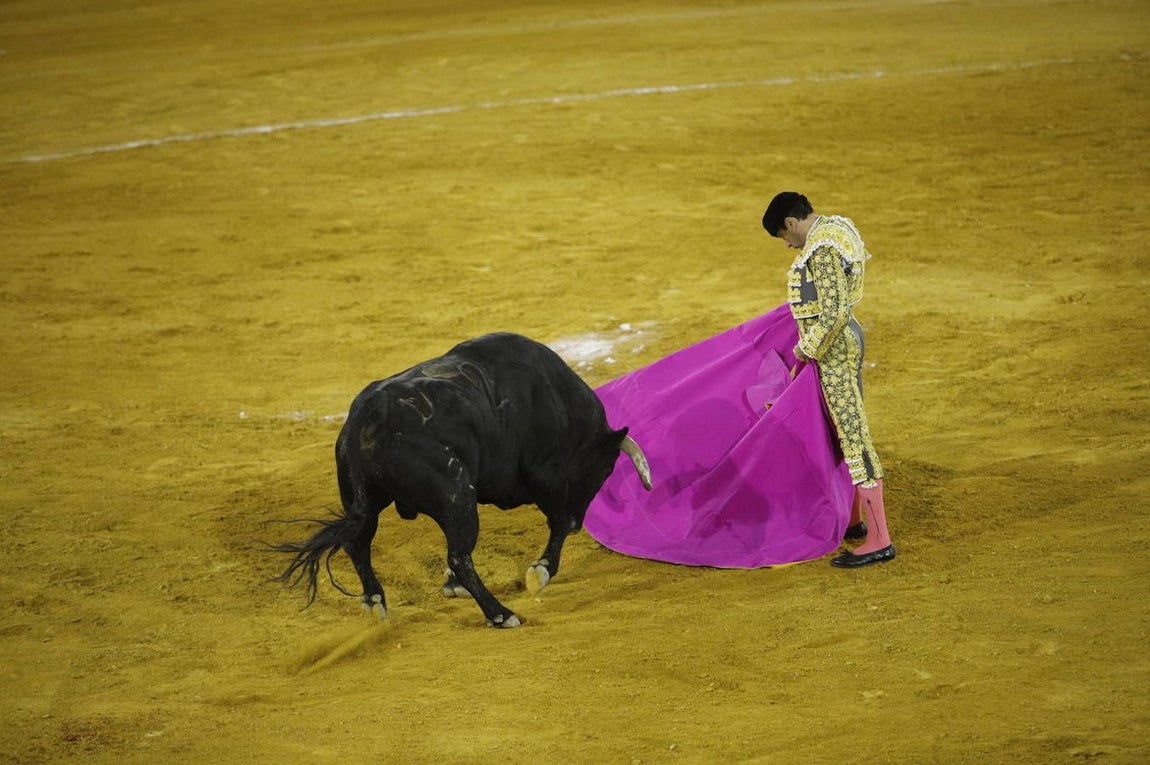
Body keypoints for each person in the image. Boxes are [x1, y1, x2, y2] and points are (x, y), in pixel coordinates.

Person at [761, 191, 896, 567]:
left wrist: (806, 349)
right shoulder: (837, 226)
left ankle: (880, 539)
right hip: (840, 345)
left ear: (790, 223)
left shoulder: (820, 249)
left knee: (853, 435)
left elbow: (834, 313)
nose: (788, 245)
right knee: (839, 430)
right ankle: (854, 520)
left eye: (784, 237)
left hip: (833, 349)